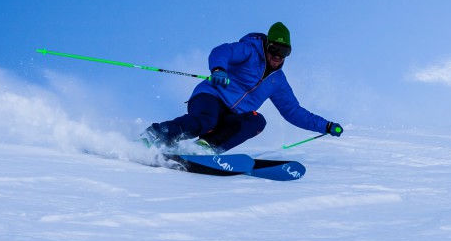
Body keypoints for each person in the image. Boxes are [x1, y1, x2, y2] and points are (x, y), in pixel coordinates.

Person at [143, 22, 343, 153]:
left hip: (233, 114)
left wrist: (325, 126)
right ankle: (156, 135)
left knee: (257, 121)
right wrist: (219, 69)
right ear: (267, 45)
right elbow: (223, 51)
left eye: (283, 52)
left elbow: (294, 112)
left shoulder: (278, 82)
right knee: (206, 120)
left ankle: (205, 148)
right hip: (211, 96)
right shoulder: (249, 50)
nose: (277, 56)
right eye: (274, 49)